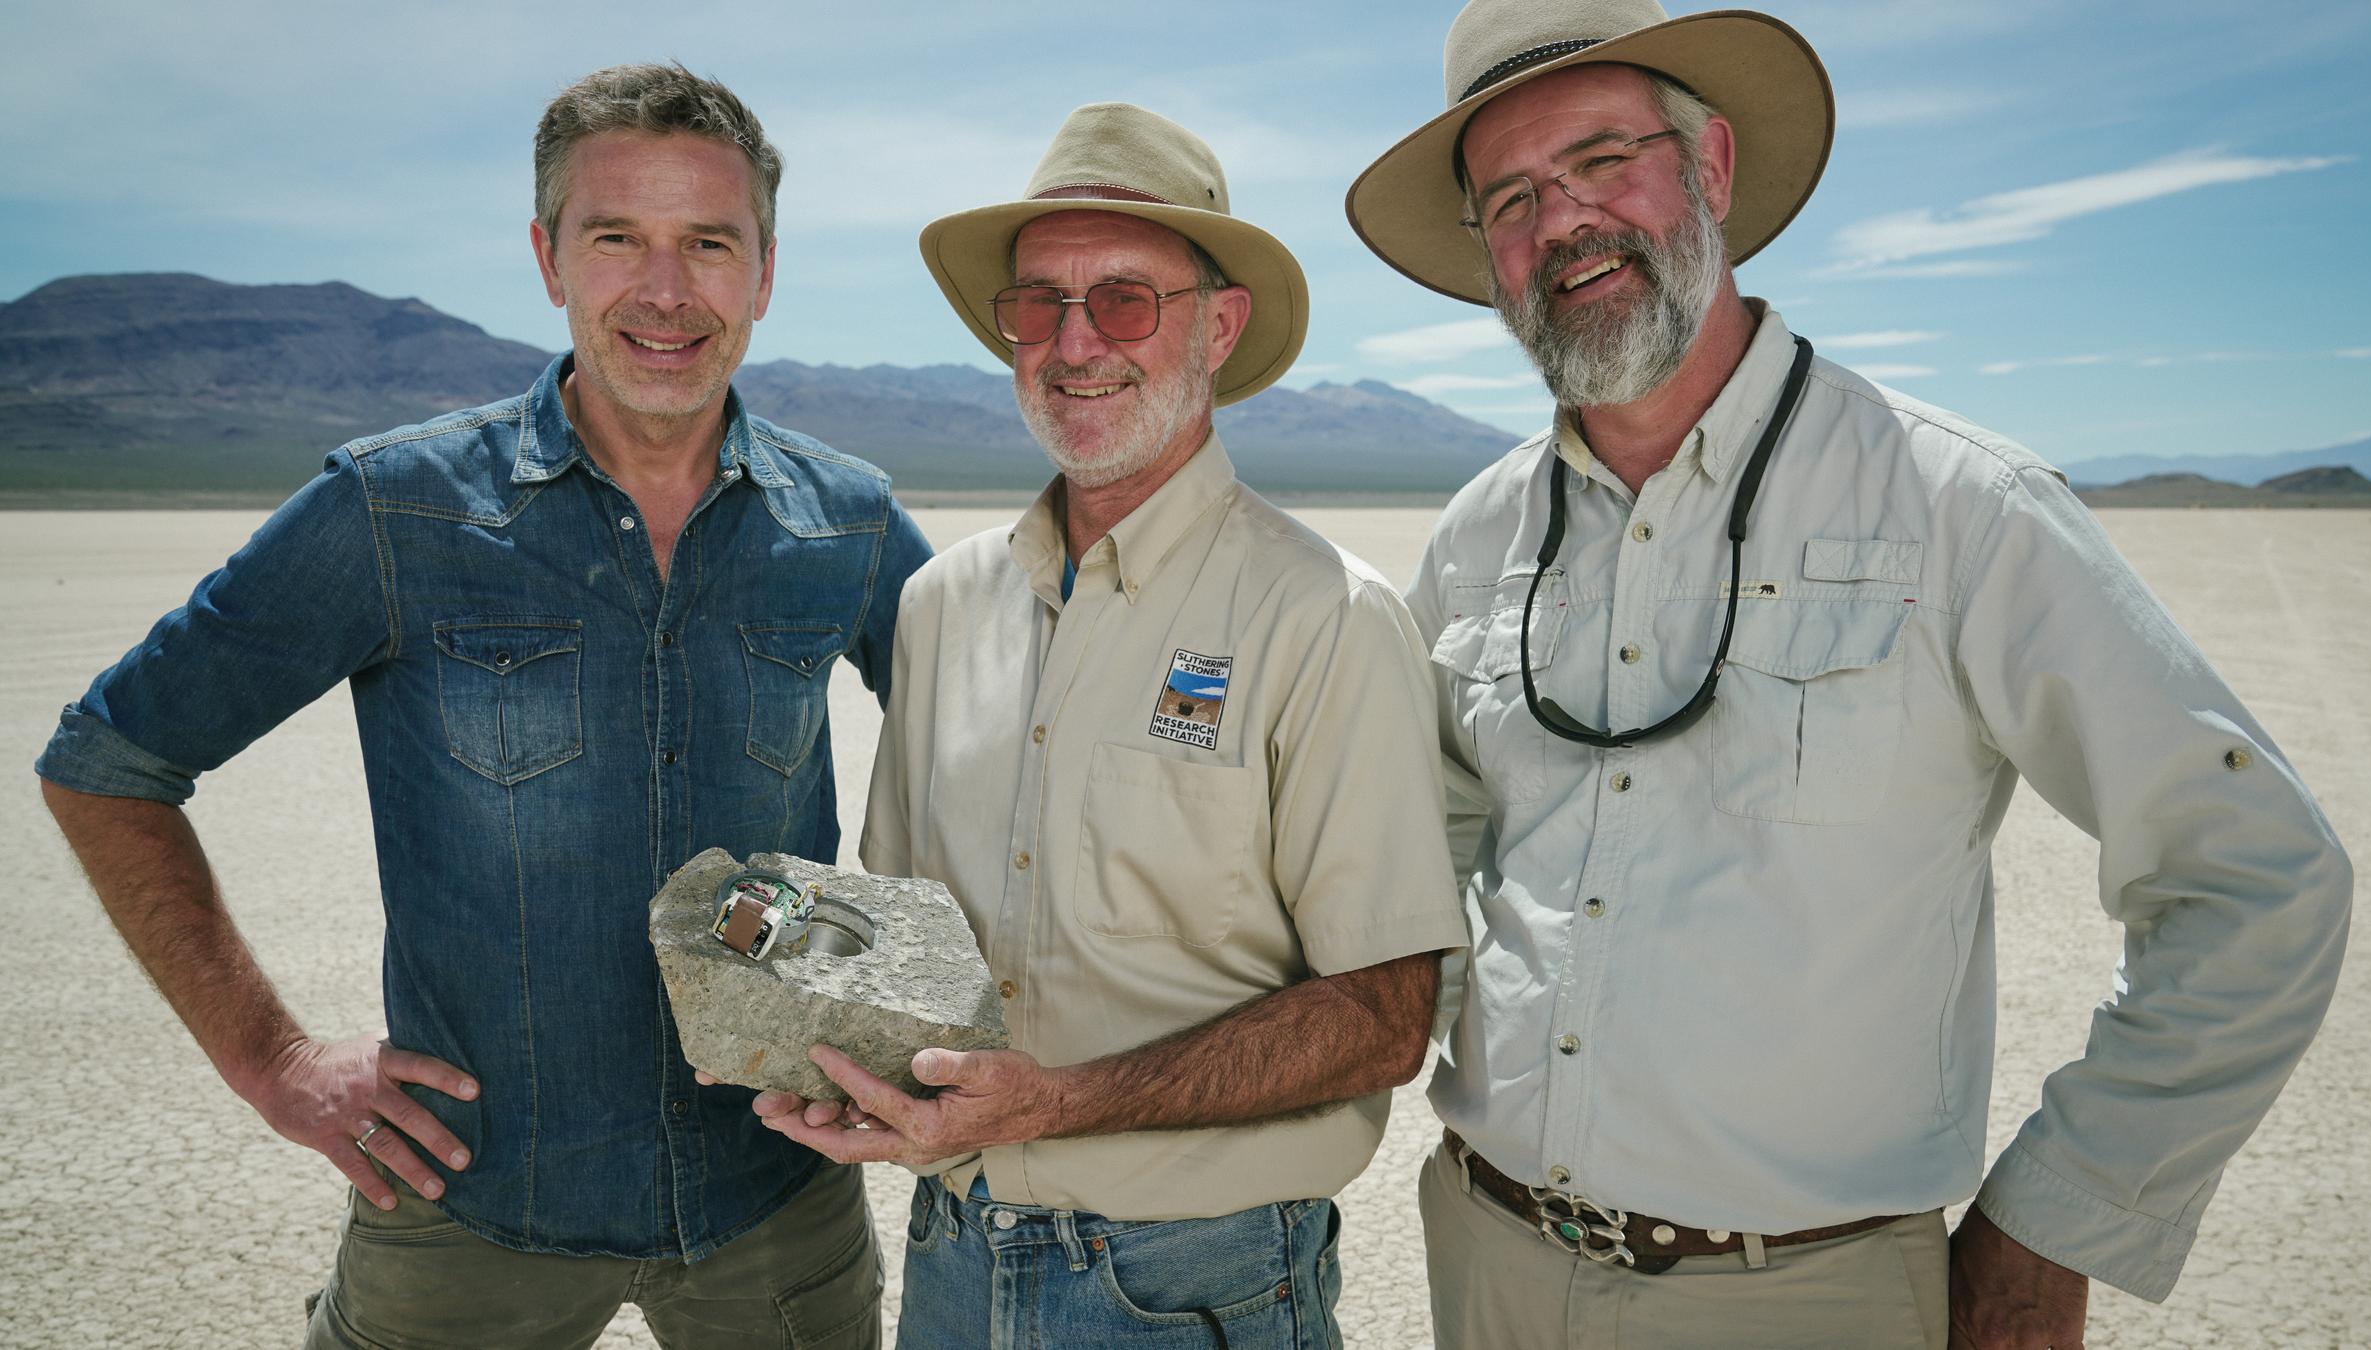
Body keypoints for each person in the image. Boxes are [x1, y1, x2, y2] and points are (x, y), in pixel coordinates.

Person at [1345, 3, 2353, 1346]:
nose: (1566, 221)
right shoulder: (1479, 536)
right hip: (1487, 1258)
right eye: (1516, 198)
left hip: (1804, 1297)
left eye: (1602, 162)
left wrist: (2058, 1212)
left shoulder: (1959, 506)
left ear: (1710, 165)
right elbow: (1438, 849)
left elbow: (2256, 874)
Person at [35, 62, 928, 1349]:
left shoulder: (844, 521)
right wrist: (274, 1062)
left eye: (709, 244)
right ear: (548, 256)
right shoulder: (396, 512)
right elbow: (107, 762)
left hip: (773, 1207)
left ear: (765, 271)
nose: (666, 290)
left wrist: (893, 1022)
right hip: (463, 1210)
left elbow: (1000, 761)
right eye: (616, 237)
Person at [737, 102, 1470, 1348]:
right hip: (953, 1266)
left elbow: (1385, 1015)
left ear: (1219, 327)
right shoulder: (942, 605)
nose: (1075, 343)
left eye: (1126, 298)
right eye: (1040, 304)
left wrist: (1049, 1105)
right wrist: (818, 1045)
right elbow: (910, 942)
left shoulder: (1322, 618)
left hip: (1194, 1287)